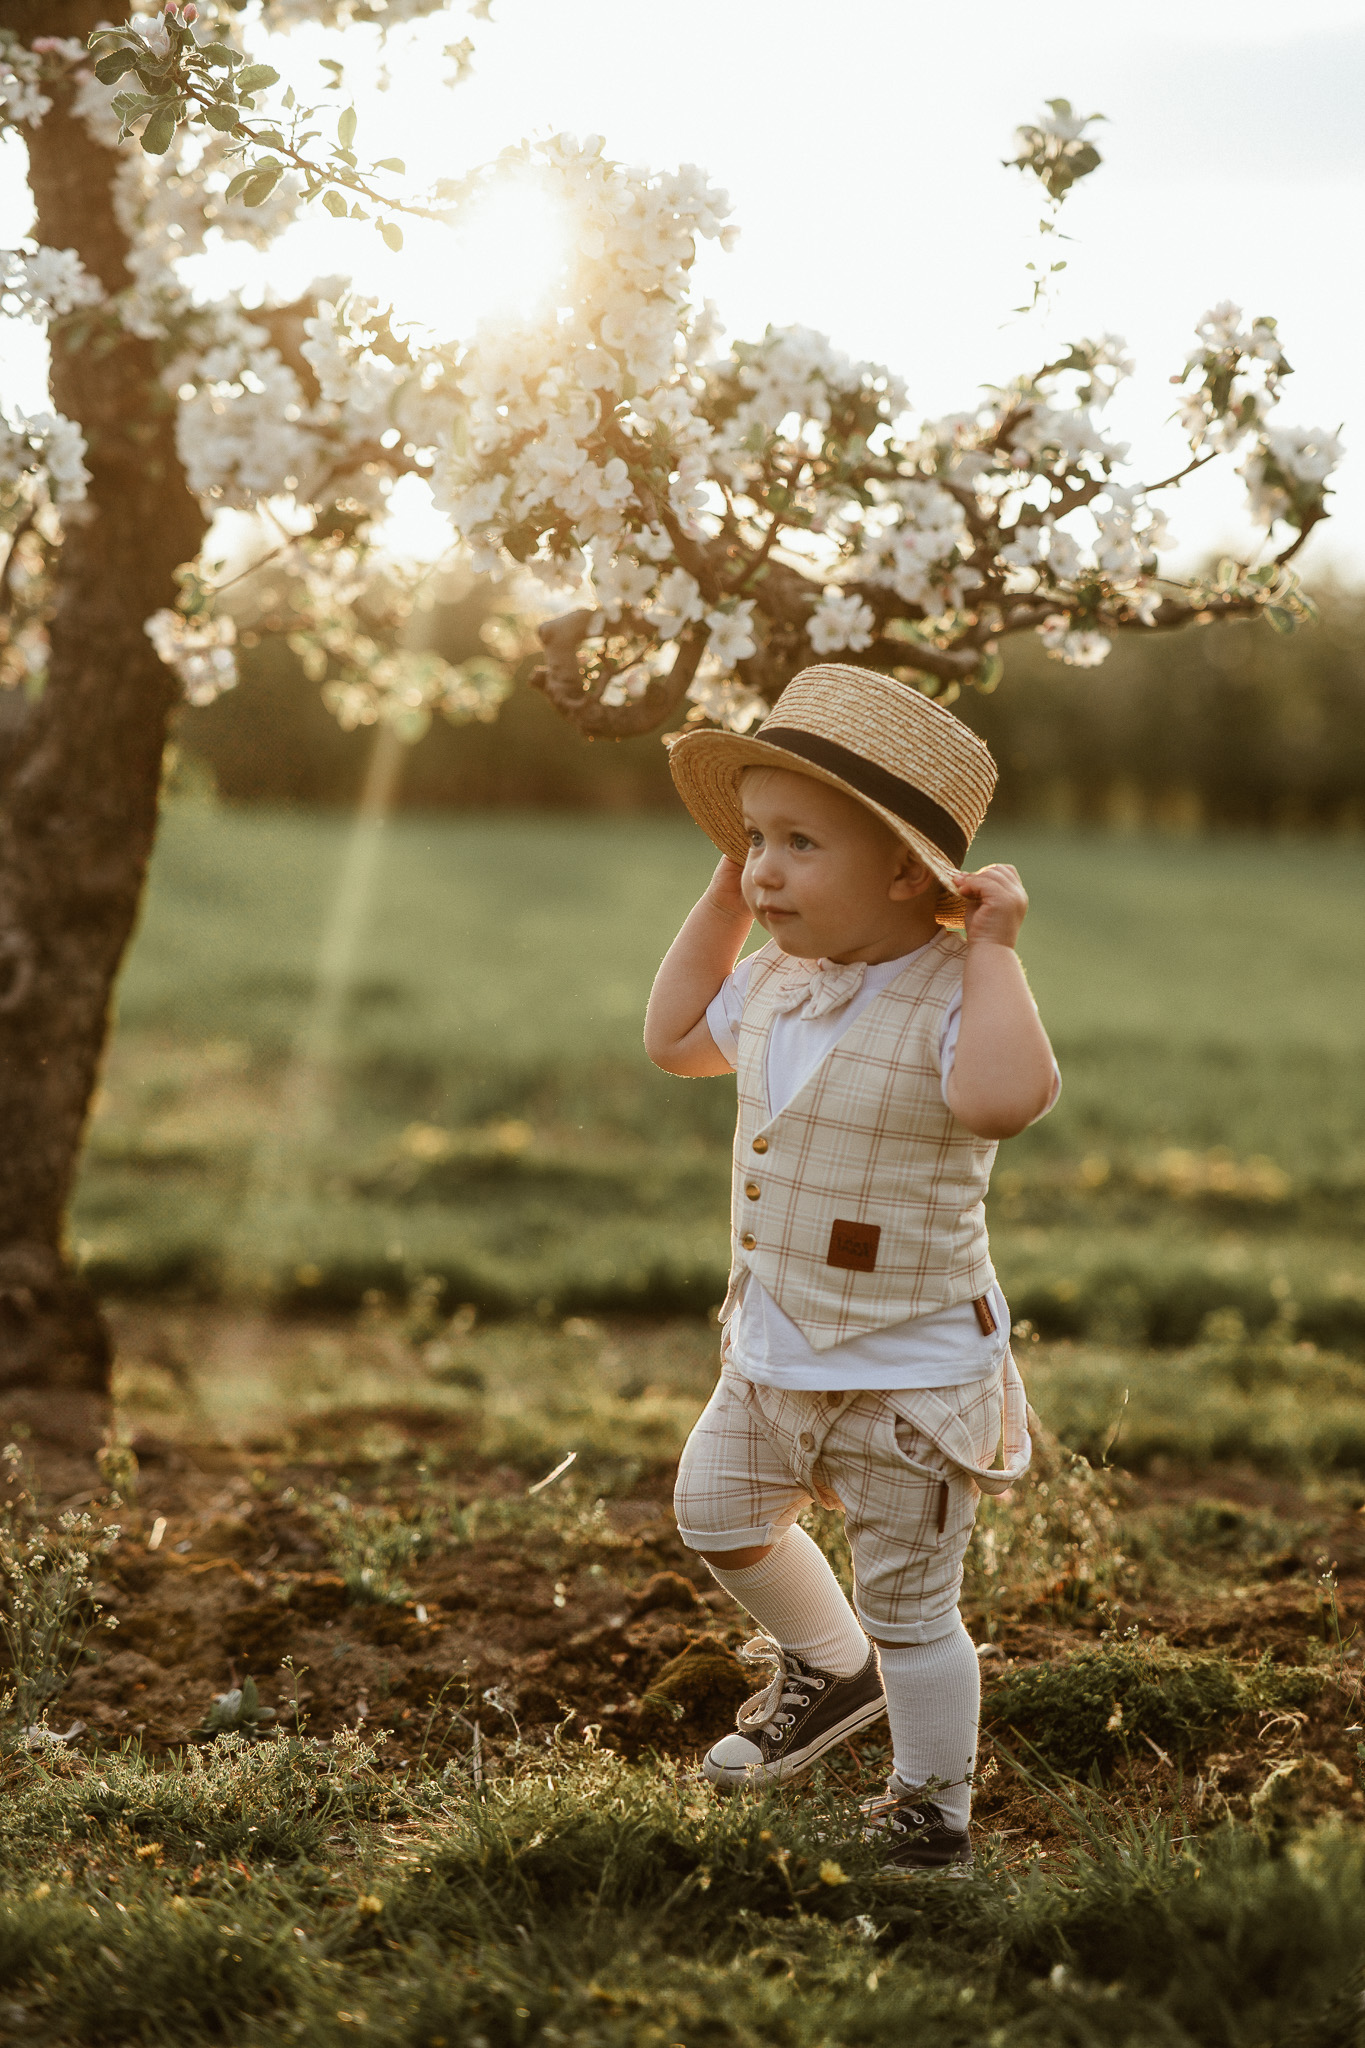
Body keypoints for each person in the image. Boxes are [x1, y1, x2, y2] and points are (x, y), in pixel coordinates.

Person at [645, 663, 1058, 1870]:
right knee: (714, 1511)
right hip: (773, 1343)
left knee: (917, 1610)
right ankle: (831, 1667)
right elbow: (673, 1039)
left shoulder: (950, 994)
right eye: (750, 839)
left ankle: (932, 1804)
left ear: (904, 873)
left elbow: (1002, 1098)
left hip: (908, 1377)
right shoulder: (773, 978)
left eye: (796, 843)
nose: (762, 865)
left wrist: (995, 952)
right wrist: (723, 900)